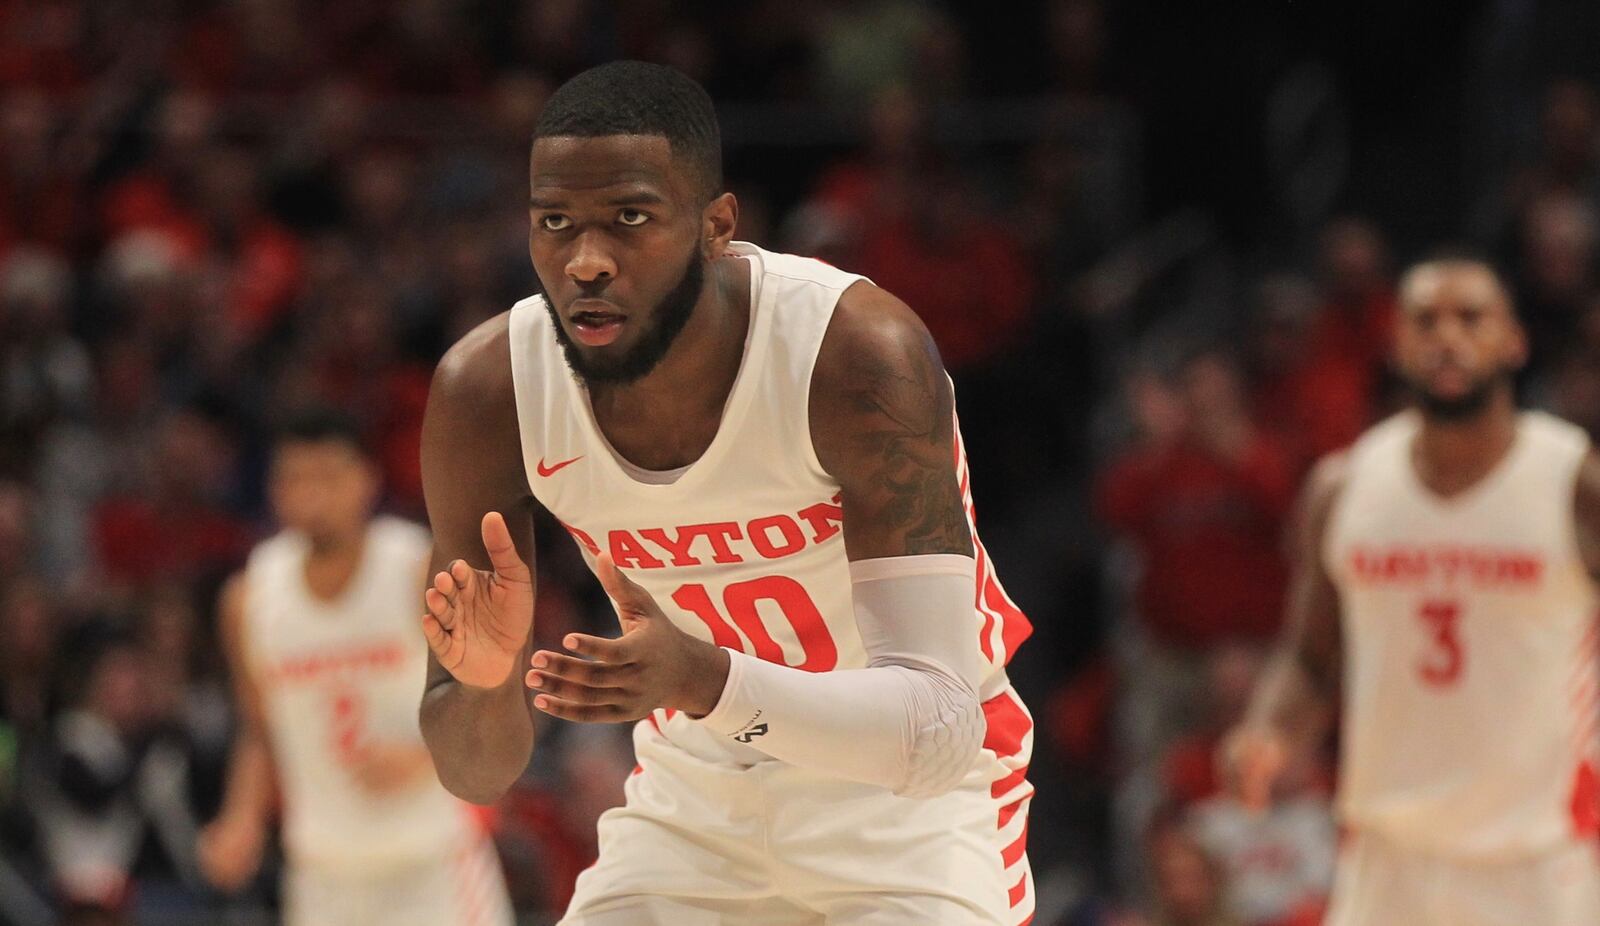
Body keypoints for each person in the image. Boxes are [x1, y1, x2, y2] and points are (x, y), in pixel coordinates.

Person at [417, 61, 1035, 925]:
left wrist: (705, 677)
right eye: (555, 223)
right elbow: (472, 772)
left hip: (911, 811)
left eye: (629, 219)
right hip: (698, 796)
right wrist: (484, 684)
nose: (585, 261)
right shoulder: (487, 393)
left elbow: (938, 729)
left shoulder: (855, 354)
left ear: (716, 226)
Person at [1226, 258, 1600, 924]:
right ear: (1396, 345)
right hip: (1387, 855)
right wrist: (1267, 732)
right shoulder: (1345, 487)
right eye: (1425, 320)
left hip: (1539, 858)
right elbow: (1311, 659)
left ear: (1514, 340)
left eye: (1471, 318)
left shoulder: (1574, 483)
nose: (1446, 337)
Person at [198, 411, 512, 926]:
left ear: (366, 478)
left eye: (327, 475)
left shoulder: (418, 569)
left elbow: (490, 696)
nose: (311, 494)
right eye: (295, 478)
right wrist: (241, 820)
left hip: (432, 863)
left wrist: (423, 756)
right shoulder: (249, 598)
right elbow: (258, 729)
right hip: (321, 875)